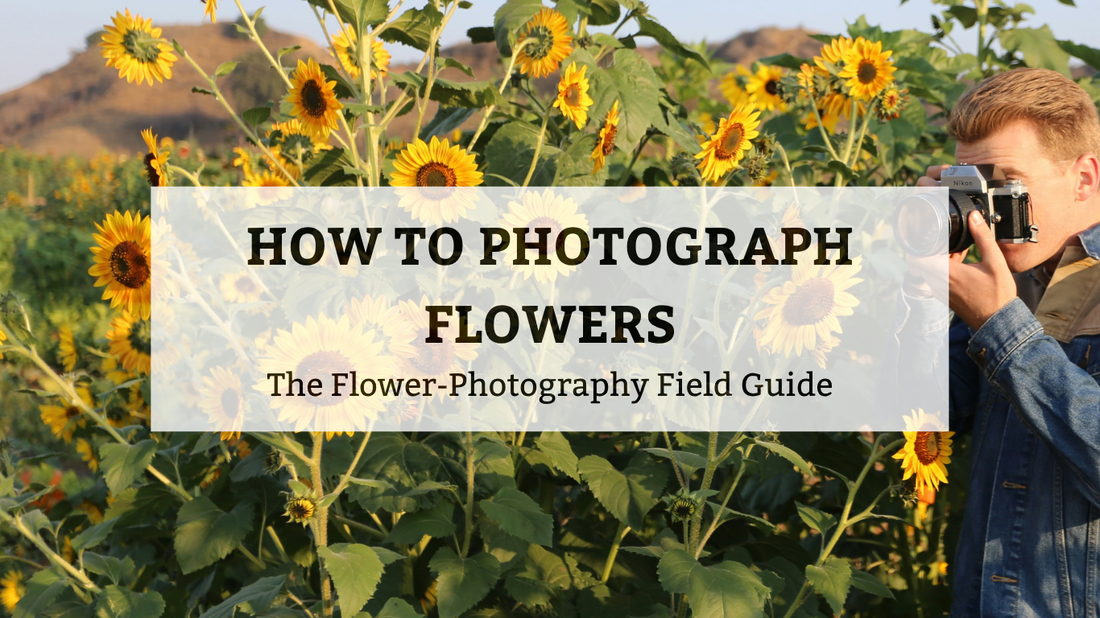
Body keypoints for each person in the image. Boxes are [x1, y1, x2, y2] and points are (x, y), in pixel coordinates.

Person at [900, 67, 1100, 617]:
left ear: (1084, 178)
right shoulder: (1017, 276)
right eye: (972, 184)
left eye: (1003, 181)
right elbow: (923, 413)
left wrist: (1004, 329)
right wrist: (927, 285)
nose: (983, 210)